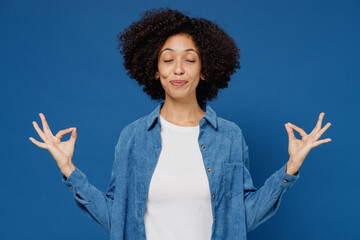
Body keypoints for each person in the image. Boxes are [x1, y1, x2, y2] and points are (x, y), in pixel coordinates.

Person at [29, 8, 332, 240]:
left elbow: (240, 218)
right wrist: (69, 169)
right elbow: (116, 218)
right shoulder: (133, 137)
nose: (178, 69)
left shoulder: (229, 137)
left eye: (190, 59)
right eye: (167, 59)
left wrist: (290, 168)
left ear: (204, 70)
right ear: (154, 69)